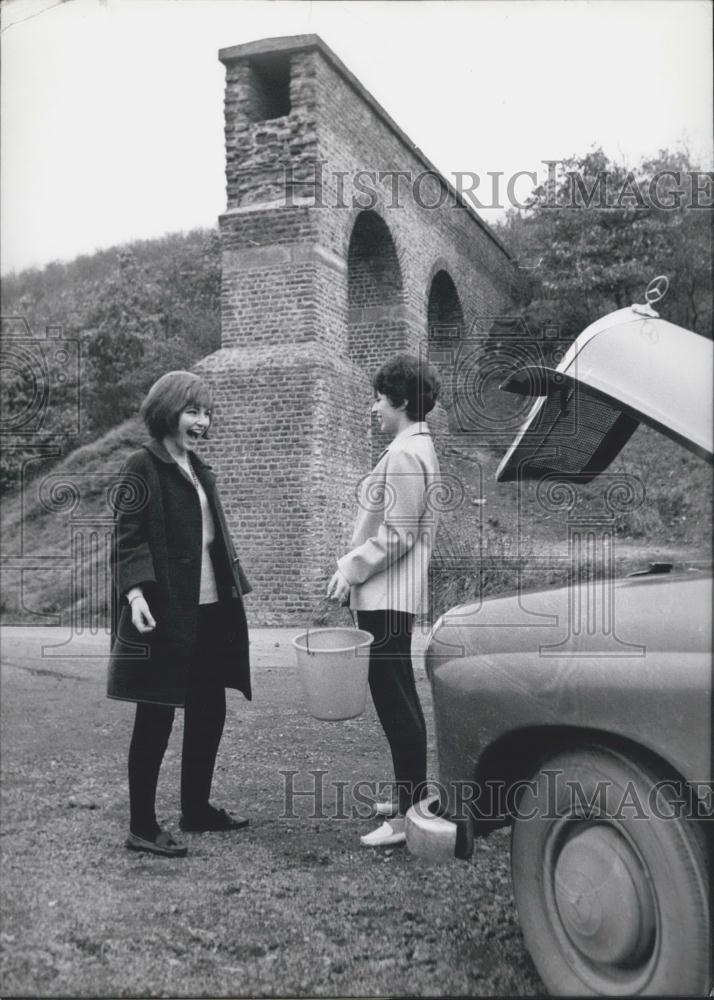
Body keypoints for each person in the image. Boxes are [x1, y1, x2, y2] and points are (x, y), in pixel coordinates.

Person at [108, 371, 252, 857]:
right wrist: (136, 595)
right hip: (165, 610)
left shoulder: (199, 469)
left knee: (209, 708)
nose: (202, 422)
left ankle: (196, 808)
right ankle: (142, 826)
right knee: (156, 714)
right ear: (167, 410)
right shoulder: (140, 466)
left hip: (211, 611)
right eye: (193, 411)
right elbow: (128, 539)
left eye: (206, 413)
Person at [327, 353, 441, 848]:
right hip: (393, 595)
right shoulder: (414, 447)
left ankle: (407, 816)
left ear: (400, 400)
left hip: (387, 597)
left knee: (395, 702)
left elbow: (398, 535)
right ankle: (408, 798)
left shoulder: (403, 453)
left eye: (378, 398)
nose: (374, 407)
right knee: (400, 699)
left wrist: (347, 568)